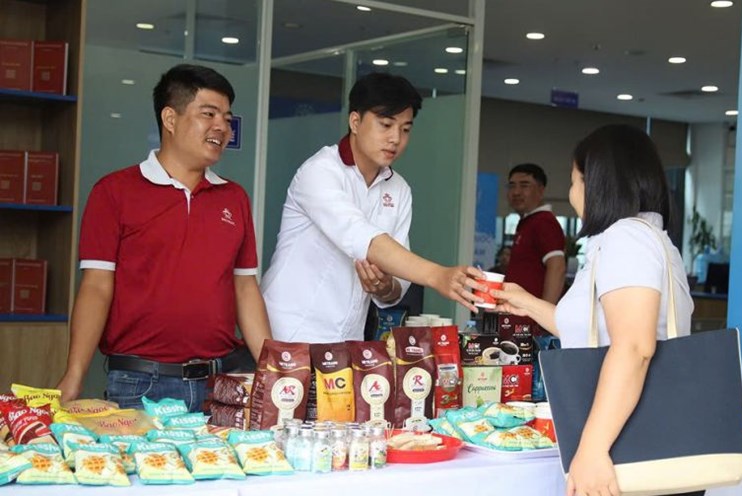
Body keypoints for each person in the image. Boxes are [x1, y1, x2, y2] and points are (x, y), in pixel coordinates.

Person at [491, 125, 699, 496]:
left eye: (573, 181)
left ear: (595, 183)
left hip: (623, 443)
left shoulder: (627, 239)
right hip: (646, 435)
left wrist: (591, 449)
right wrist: (523, 301)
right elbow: (593, 331)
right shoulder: (643, 239)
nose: (571, 193)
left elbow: (634, 347)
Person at [56, 64, 272, 412]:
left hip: (218, 385)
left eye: (228, 118)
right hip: (137, 384)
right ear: (170, 119)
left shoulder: (234, 198)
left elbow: (245, 289)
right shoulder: (114, 192)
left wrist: (273, 370)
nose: (222, 127)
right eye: (209, 114)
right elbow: (96, 286)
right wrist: (74, 374)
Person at [261, 72, 481, 343]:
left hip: (347, 341)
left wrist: (385, 287)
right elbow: (365, 240)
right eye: (386, 125)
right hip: (288, 333)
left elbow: (396, 282)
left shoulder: (398, 188)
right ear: (355, 121)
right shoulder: (320, 171)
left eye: (405, 129)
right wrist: (439, 276)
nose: (395, 139)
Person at [505, 163, 566, 306]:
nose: (516, 192)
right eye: (512, 186)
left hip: (532, 322)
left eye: (524, 185)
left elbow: (557, 267)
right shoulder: (528, 222)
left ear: (541, 190)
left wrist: (544, 314)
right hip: (518, 317)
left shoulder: (544, 222)